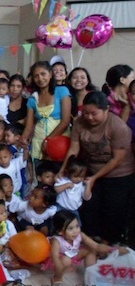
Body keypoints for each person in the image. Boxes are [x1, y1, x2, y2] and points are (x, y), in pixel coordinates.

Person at [59, 91, 135, 244]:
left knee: (112, 209)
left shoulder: (118, 127)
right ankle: (91, 240)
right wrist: (63, 169)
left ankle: (110, 243)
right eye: (86, 113)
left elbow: (117, 159)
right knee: (90, 206)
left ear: (106, 109)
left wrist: (94, 178)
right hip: (91, 170)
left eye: (94, 113)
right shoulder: (80, 123)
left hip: (119, 174)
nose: (89, 117)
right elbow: (73, 149)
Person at [42, 210, 128, 285]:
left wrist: (112, 249)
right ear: (60, 231)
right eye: (70, 228)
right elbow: (54, 256)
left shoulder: (80, 235)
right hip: (60, 259)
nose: (76, 231)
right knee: (66, 260)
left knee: (90, 250)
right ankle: (57, 277)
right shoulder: (56, 240)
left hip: (73, 255)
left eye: (77, 226)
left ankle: (91, 273)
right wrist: (59, 267)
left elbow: (96, 246)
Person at [21, 61, 71, 162]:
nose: (40, 79)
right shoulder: (33, 99)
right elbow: (29, 125)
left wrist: (48, 140)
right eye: (36, 76)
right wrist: (23, 138)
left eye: (43, 74)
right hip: (38, 142)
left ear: (51, 74)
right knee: (41, 175)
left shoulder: (62, 91)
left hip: (59, 143)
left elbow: (65, 122)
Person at [54, 156, 92, 224]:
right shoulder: (63, 180)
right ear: (68, 173)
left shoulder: (82, 184)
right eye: (76, 176)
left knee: (77, 226)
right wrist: (66, 185)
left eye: (82, 176)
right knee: (57, 224)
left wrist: (88, 185)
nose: (79, 179)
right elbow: (55, 190)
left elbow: (87, 197)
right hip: (61, 208)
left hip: (74, 210)